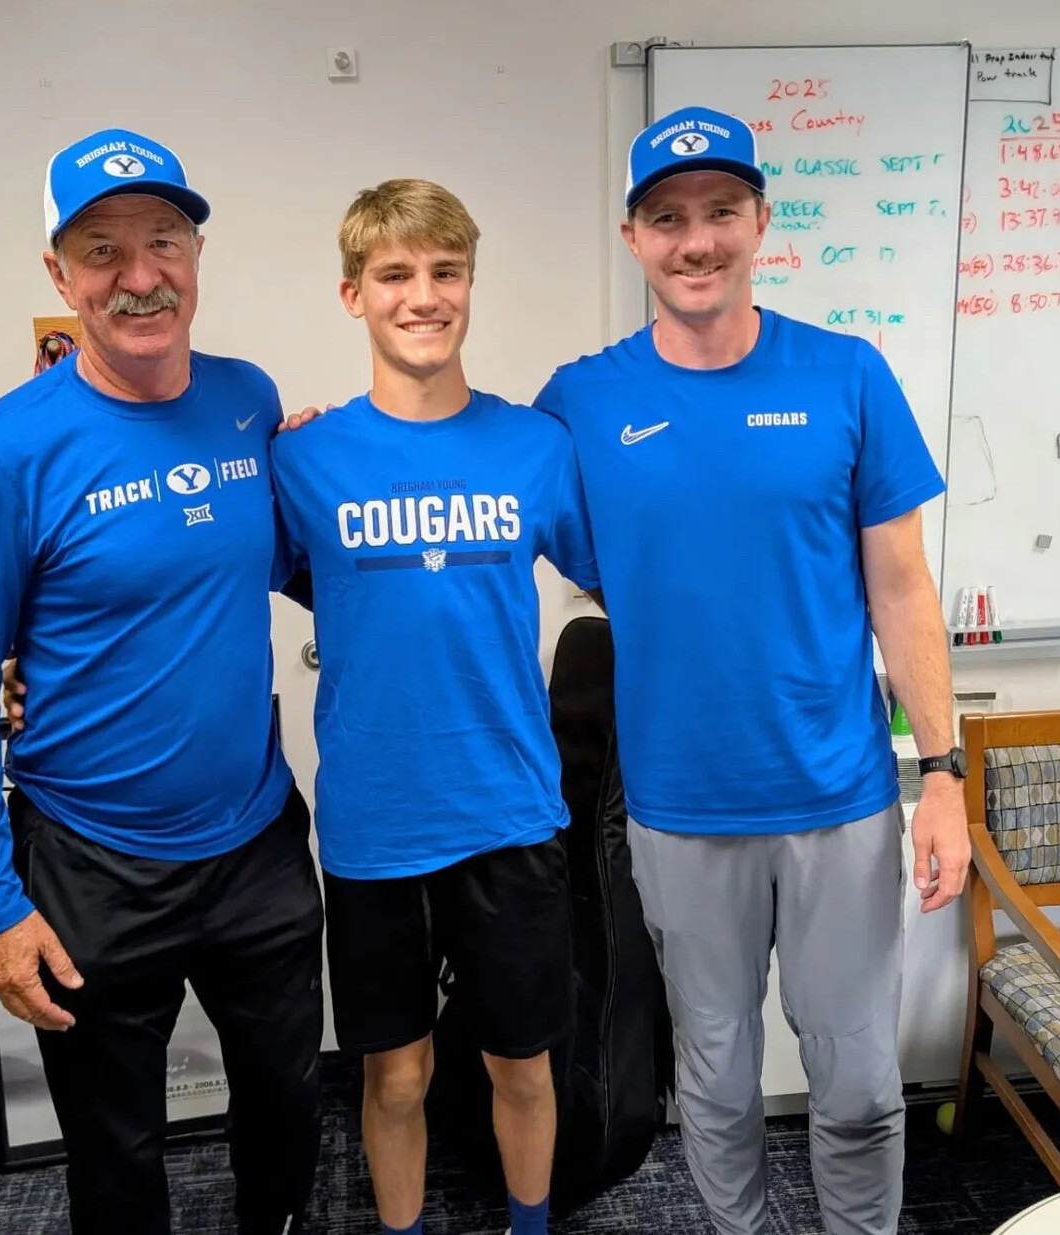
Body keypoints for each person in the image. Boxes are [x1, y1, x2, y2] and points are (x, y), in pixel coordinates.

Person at [530, 107, 971, 1234]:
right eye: (668, 217)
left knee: (860, 1082)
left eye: (721, 211)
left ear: (761, 221)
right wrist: (322, 439)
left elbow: (903, 590)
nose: (697, 241)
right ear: (633, 236)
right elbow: (486, 496)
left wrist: (943, 776)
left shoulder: (846, 374)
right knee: (715, 1080)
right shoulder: (582, 401)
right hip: (679, 808)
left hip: (840, 799)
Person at [0, 128, 323, 1235]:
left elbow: (283, 564)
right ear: (61, 275)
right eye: (102, 250)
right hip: (91, 866)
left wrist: (348, 483)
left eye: (163, 241)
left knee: (291, 1108)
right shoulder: (7, 452)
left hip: (255, 844)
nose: (140, 275)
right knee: (116, 1154)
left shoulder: (247, 400)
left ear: (196, 255)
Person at [270, 179, 600, 1235]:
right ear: (353, 293)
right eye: (395, 274)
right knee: (397, 1075)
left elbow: (625, 579)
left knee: (523, 1065)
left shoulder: (537, 447)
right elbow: (220, 582)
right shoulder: (301, 458)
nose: (423, 296)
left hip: (509, 808)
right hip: (376, 820)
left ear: (470, 283)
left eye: (445, 272)